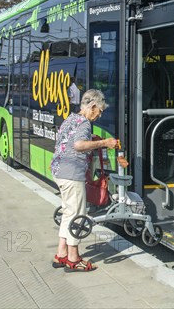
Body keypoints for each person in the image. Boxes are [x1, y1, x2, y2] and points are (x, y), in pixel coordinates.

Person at [50, 89, 119, 272]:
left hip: (59, 171)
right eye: (100, 110)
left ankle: (61, 254)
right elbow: (78, 145)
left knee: (67, 212)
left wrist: (93, 139)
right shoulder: (85, 124)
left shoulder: (71, 119)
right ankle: (73, 258)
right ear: (93, 106)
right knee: (76, 216)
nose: (100, 114)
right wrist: (104, 143)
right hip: (72, 174)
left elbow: (68, 140)